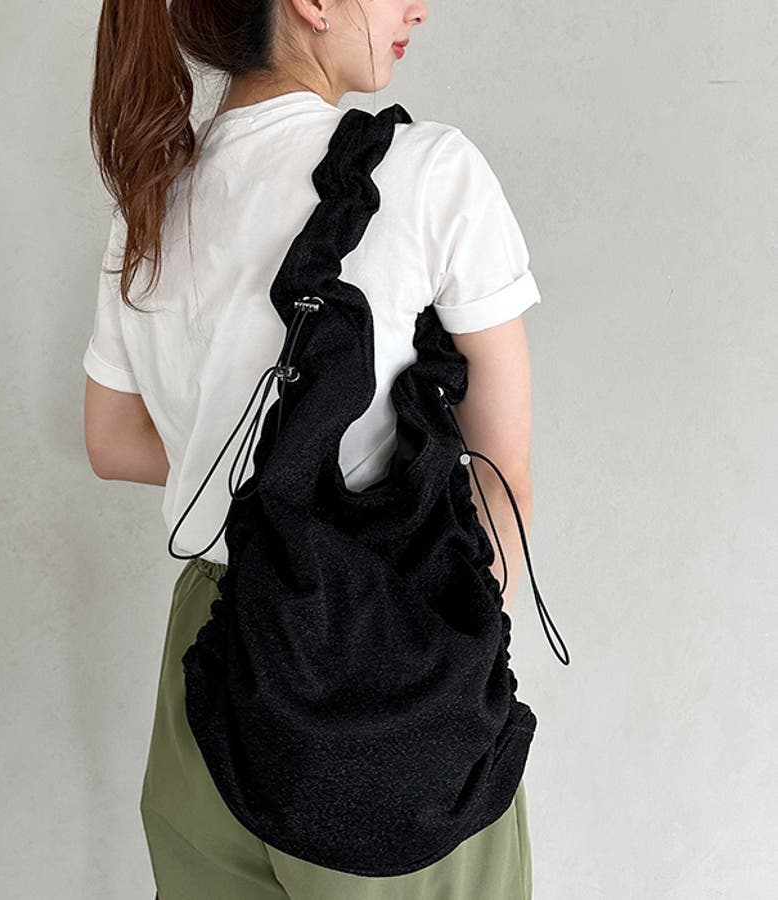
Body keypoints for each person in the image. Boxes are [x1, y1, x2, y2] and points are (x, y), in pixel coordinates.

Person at [82, 1, 541, 897]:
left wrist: (255, 478)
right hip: (382, 655)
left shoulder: (153, 195)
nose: (418, 8)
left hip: (207, 669)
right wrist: (452, 671)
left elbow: (113, 439)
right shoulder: (428, 170)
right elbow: (504, 470)